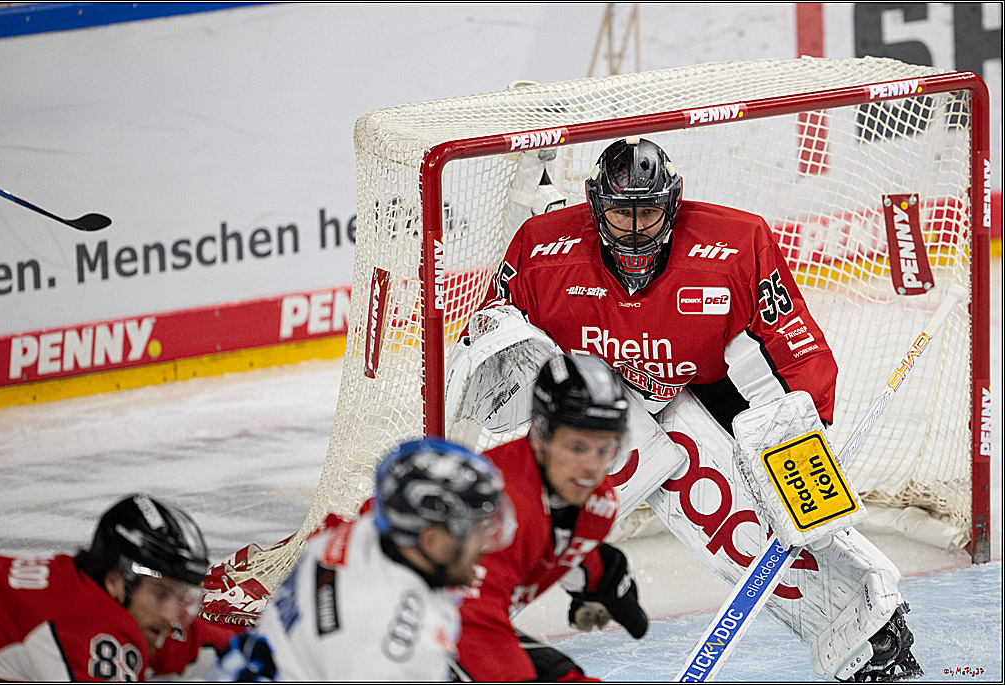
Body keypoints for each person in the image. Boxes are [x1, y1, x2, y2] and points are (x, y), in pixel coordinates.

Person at [448, 137, 921, 682]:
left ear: (673, 202)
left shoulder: (735, 246)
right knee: (534, 506)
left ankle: (866, 628)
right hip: (596, 402)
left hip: (706, 377)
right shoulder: (541, 250)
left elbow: (793, 353)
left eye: (647, 211)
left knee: (777, 513)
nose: (633, 228)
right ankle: (456, 619)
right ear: (593, 205)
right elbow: (491, 339)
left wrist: (805, 462)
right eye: (619, 213)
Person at [211, 436, 515, 681]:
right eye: (476, 530)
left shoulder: (355, 536)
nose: (484, 545)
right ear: (431, 540)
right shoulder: (399, 650)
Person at [452, 352, 649, 682]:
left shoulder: (596, 502)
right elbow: (466, 623)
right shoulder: (499, 506)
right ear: (541, 434)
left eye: (605, 450)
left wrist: (597, 572)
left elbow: (549, 540)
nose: (591, 467)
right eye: (577, 447)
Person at [0, 493, 235, 681]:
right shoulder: (92, 629)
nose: (170, 614)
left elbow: (208, 645)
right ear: (115, 581)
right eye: (161, 593)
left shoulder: (79, 583)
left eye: (180, 597)